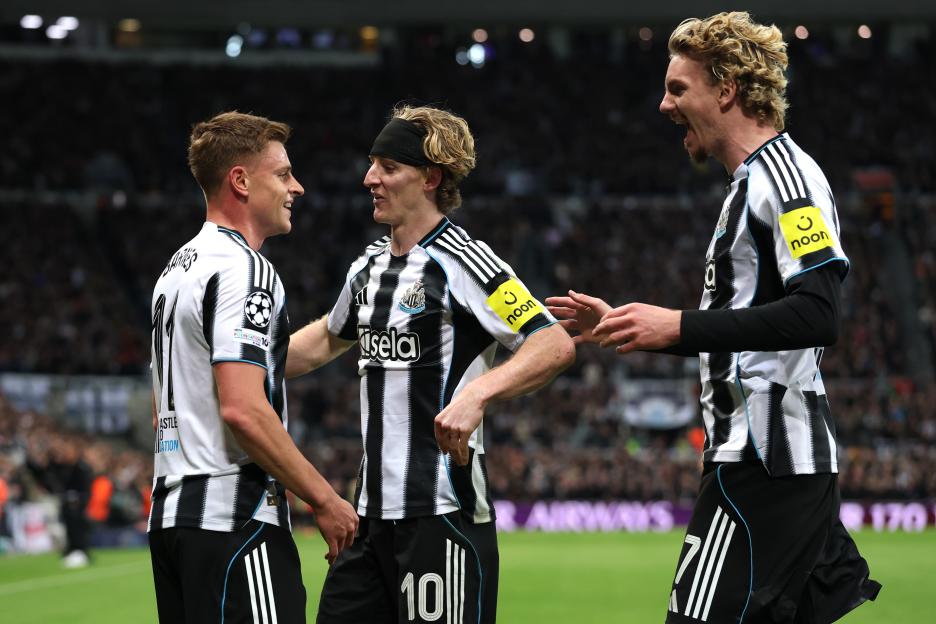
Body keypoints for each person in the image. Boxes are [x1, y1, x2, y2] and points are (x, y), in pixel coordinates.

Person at [547, 12, 881, 624]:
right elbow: (743, 329)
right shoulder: (748, 184)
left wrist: (677, 324)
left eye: (678, 89)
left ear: (726, 89)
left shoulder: (785, 179)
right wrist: (628, 328)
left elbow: (818, 313)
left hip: (763, 463)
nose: (663, 106)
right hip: (767, 459)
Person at [286, 105, 575, 623]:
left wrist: (478, 395)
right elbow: (324, 342)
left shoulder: (468, 262)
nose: (369, 178)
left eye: (388, 167)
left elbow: (551, 343)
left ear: (431, 178)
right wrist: (227, 363)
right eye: (372, 164)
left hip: (443, 509)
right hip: (368, 515)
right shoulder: (368, 266)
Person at [147, 111, 358, 624]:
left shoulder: (177, 269)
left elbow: (181, 401)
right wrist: (324, 499)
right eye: (283, 174)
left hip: (174, 521)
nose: (298, 187)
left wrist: (349, 325)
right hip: (235, 521)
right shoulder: (245, 269)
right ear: (240, 181)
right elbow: (243, 407)